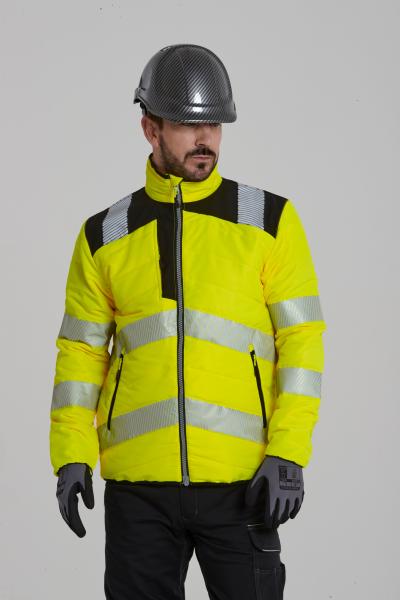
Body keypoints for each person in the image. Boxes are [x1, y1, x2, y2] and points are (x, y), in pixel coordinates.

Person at [50, 43, 326, 599]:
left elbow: (301, 343)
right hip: (139, 491)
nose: (205, 139)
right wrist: (71, 455)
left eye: (214, 125)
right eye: (186, 125)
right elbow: (80, 354)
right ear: (150, 129)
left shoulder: (270, 221)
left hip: (243, 482)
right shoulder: (104, 234)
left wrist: (289, 452)